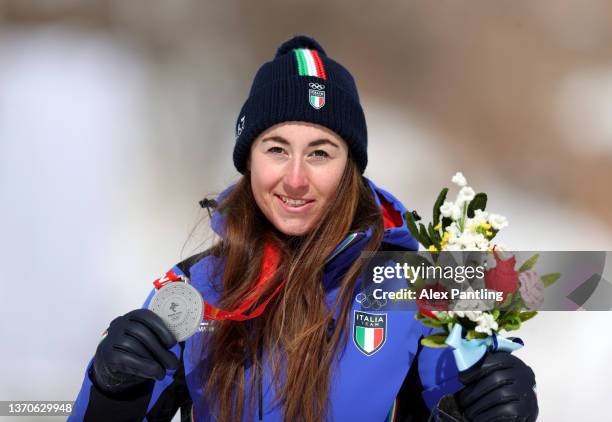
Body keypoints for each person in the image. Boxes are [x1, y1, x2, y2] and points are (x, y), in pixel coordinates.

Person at [69, 35, 538, 422]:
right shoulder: (194, 290)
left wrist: (494, 405)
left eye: (320, 152)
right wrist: (112, 393)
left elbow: (571, 286)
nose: (295, 178)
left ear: (350, 168)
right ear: (248, 160)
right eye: (275, 149)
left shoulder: (421, 284)